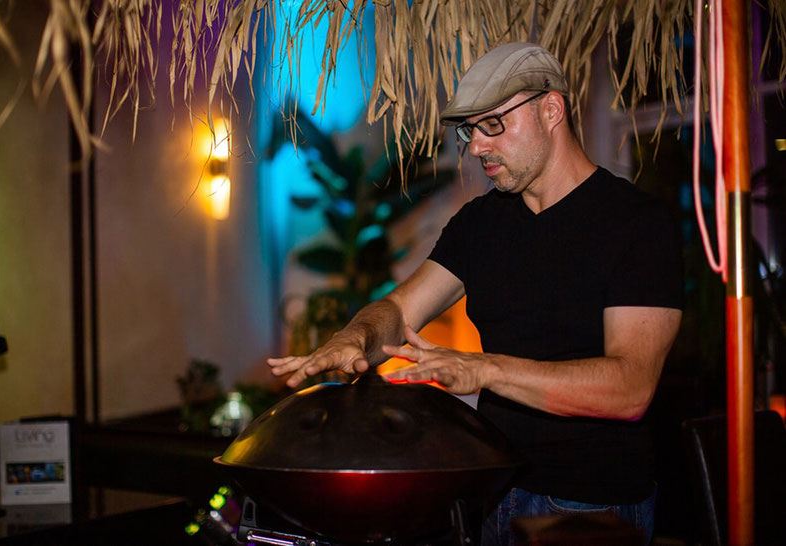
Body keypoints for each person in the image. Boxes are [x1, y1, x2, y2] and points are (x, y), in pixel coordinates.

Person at [268, 42, 682, 545]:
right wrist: (355, 337)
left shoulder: (636, 224)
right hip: (493, 487)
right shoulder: (480, 224)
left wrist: (484, 368)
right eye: (470, 131)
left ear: (551, 109)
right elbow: (400, 309)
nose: (477, 147)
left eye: (493, 125)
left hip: (591, 504)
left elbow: (631, 389)